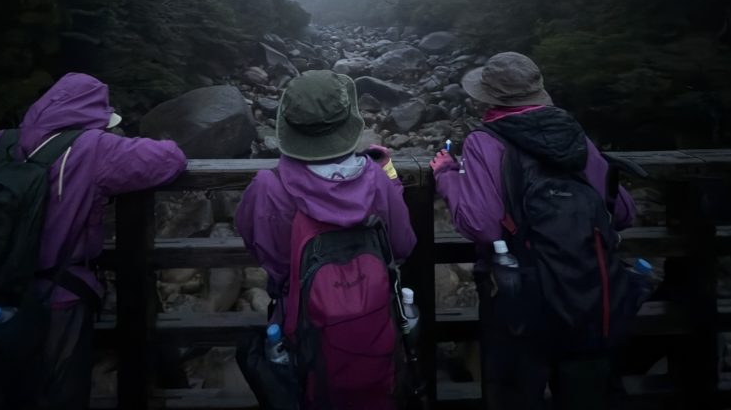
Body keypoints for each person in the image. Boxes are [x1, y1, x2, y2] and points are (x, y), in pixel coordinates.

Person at [0, 72, 188, 410]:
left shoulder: (1, 143)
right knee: (61, 392)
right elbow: (170, 159)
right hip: (60, 295)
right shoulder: (95, 148)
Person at [430, 52, 637, 410]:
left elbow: (480, 223)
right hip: (587, 289)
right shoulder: (571, 133)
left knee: (513, 393)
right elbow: (622, 211)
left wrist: (447, 176)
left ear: (490, 97)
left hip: (519, 297)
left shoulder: (486, 140)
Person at [235, 70, 416, 409]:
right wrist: (390, 179)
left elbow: (267, 255)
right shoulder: (375, 177)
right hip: (375, 315)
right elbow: (403, 245)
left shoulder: (269, 186)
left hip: (300, 317)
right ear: (347, 123)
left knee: (308, 387)